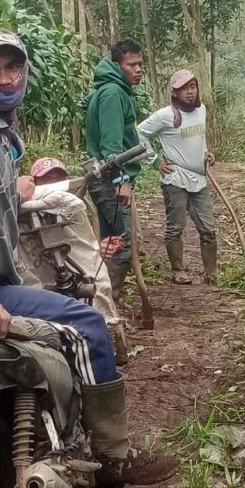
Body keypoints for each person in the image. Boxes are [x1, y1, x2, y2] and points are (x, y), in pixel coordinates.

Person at [0, 26, 172, 487]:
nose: (2, 77)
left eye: (11, 66)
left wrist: (17, 192)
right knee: (89, 326)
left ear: (23, 70)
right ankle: (115, 458)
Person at [137, 69, 217, 285]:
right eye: (184, 89)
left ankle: (211, 273)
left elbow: (200, 138)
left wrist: (207, 154)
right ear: (174, 93)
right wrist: (153, 160)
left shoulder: (201, 110)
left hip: (199, 179)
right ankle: (178, 270)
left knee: (208, 227)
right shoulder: (165, 115)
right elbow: (140, 132)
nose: (190, 92)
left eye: (192, 87)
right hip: (175, 179)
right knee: (176, 226)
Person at [82, 39, 145, 299]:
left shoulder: (116, 90)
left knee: (110, 241)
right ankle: (107, 300)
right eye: (132, 65)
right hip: (109, 178)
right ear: (117, 65)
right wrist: (121, 180)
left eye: (141, 64)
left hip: (105, 176)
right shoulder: (112, 94)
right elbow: (111, 145)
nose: (138, 69)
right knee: (123, 242)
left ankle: (101, 297)